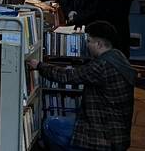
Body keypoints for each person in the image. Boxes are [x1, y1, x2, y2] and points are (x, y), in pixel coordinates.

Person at [28, 21, 136, 151]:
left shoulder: (103, 66)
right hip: (116, 132)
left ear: (99, 44)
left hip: (104, 136)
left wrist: (39, 66)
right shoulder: (118, 57)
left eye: (89, 41)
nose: (87, 44)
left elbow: (68, 76)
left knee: (50, 125)